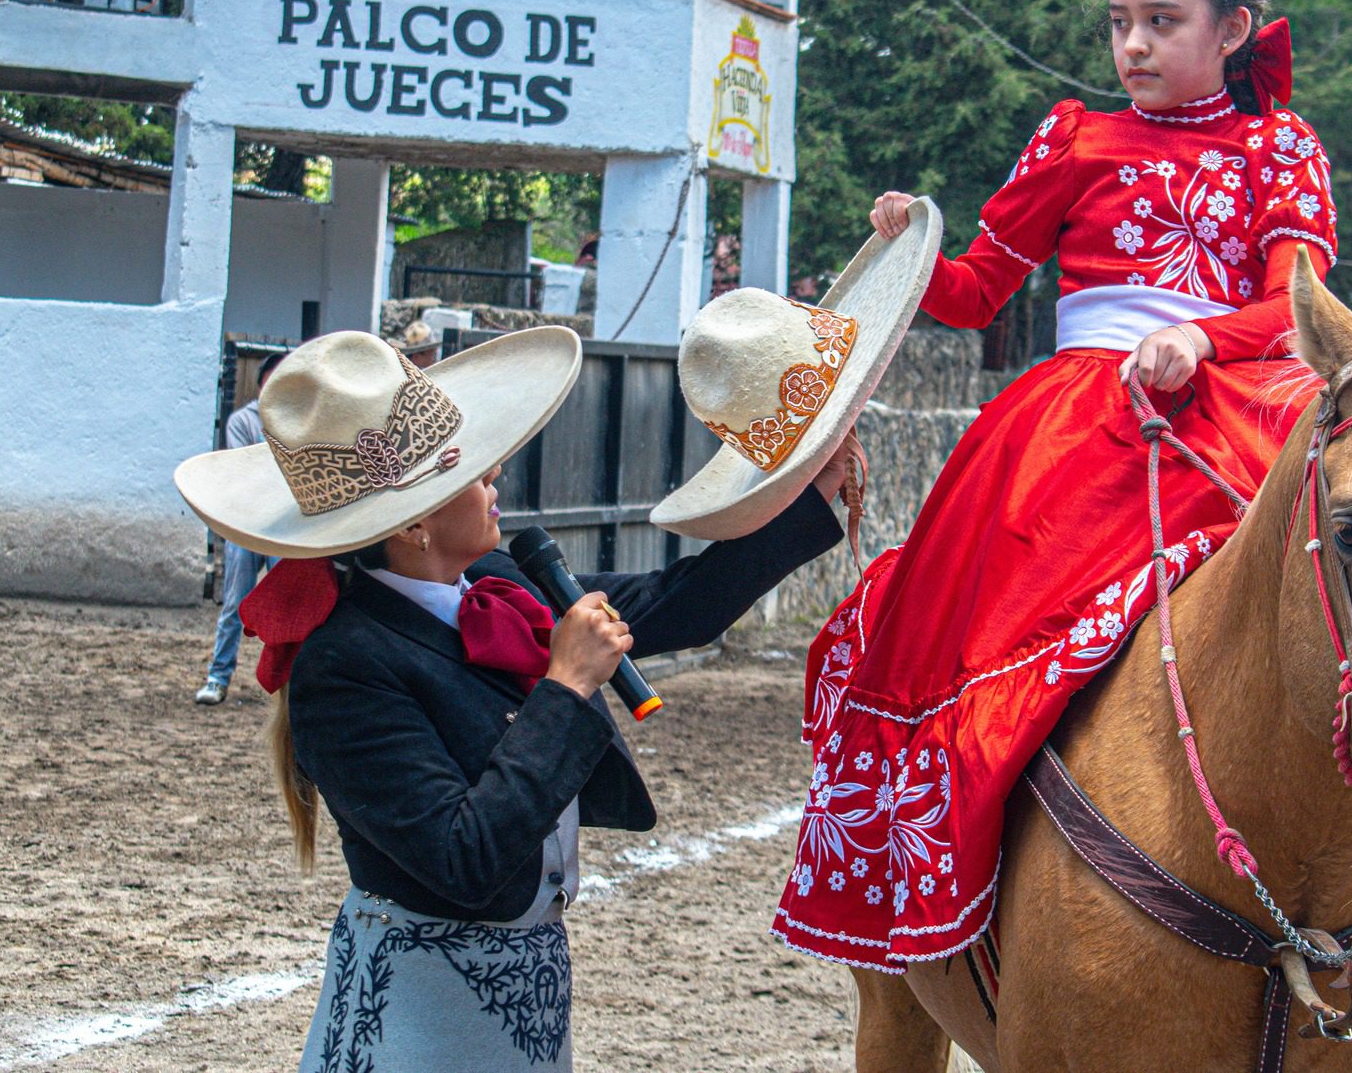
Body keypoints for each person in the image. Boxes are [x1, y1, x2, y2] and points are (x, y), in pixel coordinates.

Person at [767, 0, 1352, 1010]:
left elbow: (1291, 305)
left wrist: (1203, 336)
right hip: (1081, 413)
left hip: (1242, 389)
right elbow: (976, 290)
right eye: (1120, 23)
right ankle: (943, 861)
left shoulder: (1279, 146)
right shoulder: (1071, 137)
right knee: (970, 624)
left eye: (1161, 22)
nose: (1133, 46)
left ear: (1231, 29)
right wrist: (902, 248)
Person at [173, 327, 849, 1070]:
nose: (496, 468)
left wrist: (808, 495)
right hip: (417, 1006)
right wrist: (565, 687)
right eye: (462, 466)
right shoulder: (345, 666)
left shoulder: (496, 580)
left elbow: (676, 602)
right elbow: (465, 857)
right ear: (414, 522)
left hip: (526, 985)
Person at [195, 351, 285, 705]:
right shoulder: (242, 421)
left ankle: (283, 686)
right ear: (263, 382)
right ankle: (218, 677)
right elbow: (245, 474)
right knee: (234, 603)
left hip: (283, 530)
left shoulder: (299, 420)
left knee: (284, 608)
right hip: (245, 527)